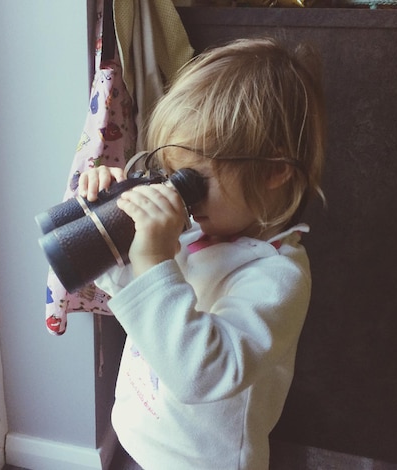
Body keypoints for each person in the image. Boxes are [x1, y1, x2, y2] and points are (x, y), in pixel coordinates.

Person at [78, 37, 326, 470]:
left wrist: (154, 259)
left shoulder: (276, 278)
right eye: (172, 175)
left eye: (193, 180)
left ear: (274, 171)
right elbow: (132, 299)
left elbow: (200, 373)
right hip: (141, 439)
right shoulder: (193, 232)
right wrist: (109, 228)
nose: (180, 197)